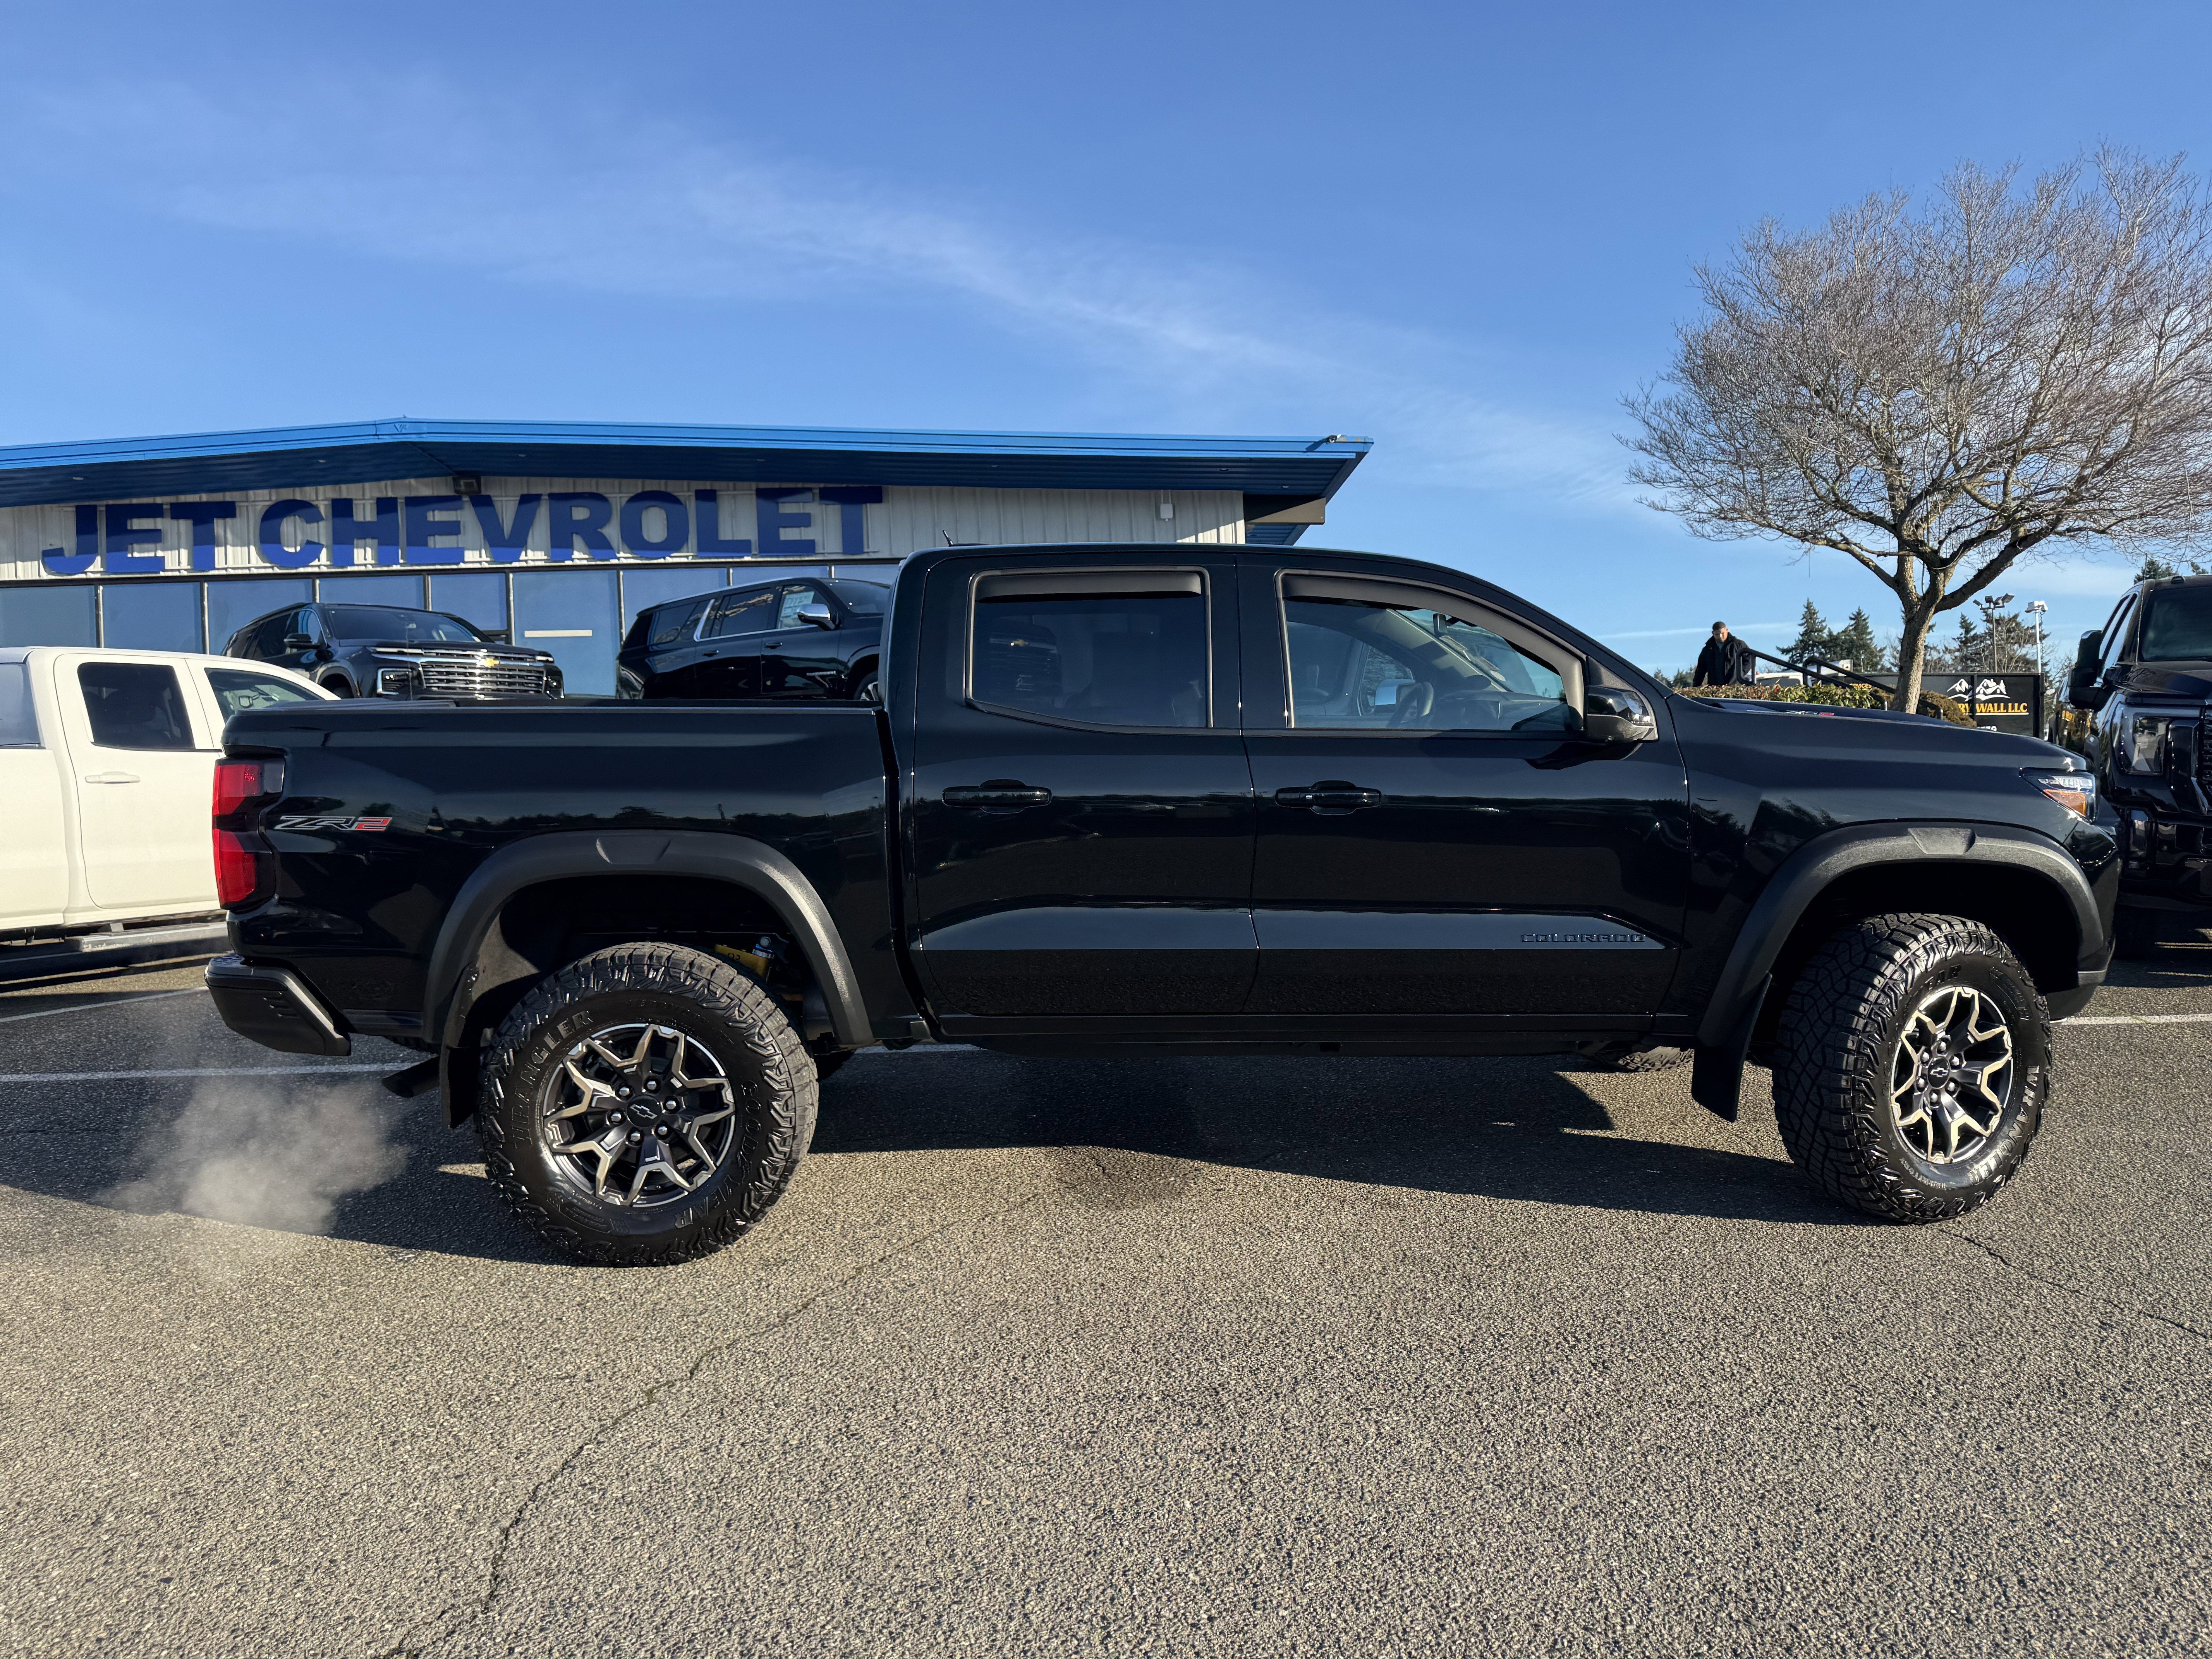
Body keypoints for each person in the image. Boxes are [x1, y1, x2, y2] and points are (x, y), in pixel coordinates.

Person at [1693, 622, 1755, 687]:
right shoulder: (1708, 649)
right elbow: (1701, 669)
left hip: (1735, 686)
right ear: (1713, 633)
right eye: (1717, 634)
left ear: (1727, 630)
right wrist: (1696, 686)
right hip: (1715, 688)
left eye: (1723, 633)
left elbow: (1750, 658)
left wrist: (1741, 673)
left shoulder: (1739, 645)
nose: (1720, 636)